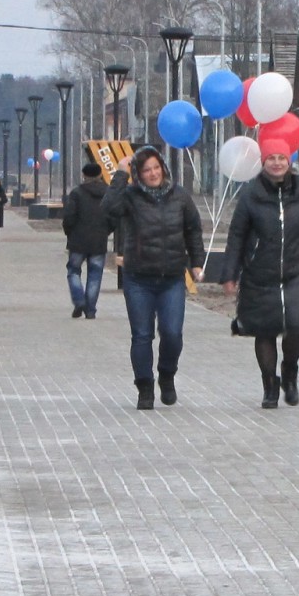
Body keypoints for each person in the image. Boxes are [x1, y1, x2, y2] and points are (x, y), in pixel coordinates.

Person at [221, 139, 299, 409]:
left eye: (282, 157)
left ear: (289, 161)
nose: (277, 162)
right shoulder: (251, 194)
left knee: (296, 325)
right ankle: (270, 385)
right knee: (265, 330)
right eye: (272, 158)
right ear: (263, 162)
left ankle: (289, 373)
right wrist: (229, 273)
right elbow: (237, 235)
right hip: (260, 273)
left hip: (296, 272)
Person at [101, 146, 204, 409]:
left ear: (164, 168)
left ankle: (167, 375)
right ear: (139, 174)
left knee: (172, 333)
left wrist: (197, 262)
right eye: (146, 170)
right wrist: (121, 174)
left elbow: (193, 229)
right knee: (142, 335)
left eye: (156, 167)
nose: (153, 173)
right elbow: (108, 208)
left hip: (171, 277)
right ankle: (144, 387)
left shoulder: (179, 196)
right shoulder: (130, 197)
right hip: (138, 278)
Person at [62, 161, 110, 318]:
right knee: (95, 275)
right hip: (99, 240)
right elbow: (113, 216)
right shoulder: (108, 193)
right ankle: (90, 310)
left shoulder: (77, 193)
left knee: (73, 271)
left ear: (84, 176)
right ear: (100, 175)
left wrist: (69, 232)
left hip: (78, 240)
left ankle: (79, 300)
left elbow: (69, 216)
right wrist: (106, 231)